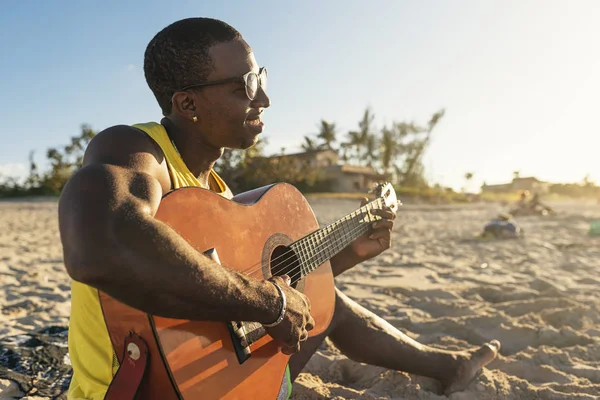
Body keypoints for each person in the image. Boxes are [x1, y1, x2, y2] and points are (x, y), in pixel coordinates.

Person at [58, 17, 500, 399]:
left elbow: (244, 289)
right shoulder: (135, 150)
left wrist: (345, 255)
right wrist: (269, 302)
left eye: (261, 78)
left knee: (328, 300)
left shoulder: (218, 194)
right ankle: (451, 366)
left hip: (215, 377)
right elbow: (104, 244)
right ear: (187, 103)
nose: (264, 98)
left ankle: (449, 367)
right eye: (246, 86)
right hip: (135, 390)